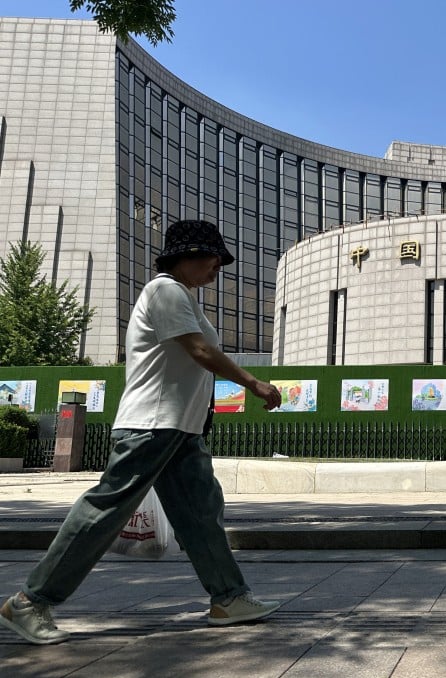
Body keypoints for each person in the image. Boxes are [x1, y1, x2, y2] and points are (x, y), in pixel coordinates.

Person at [0, 219, 283, 645]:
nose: (217, 268)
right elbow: (201, 352)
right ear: (188, 256)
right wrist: (254, 383)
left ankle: (229, 598)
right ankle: (30, 601)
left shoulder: (184, 296)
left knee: (201, 515)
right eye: (213, 259)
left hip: (180, 431)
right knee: (104, 512)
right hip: (151, 425)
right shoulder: (164, 290)